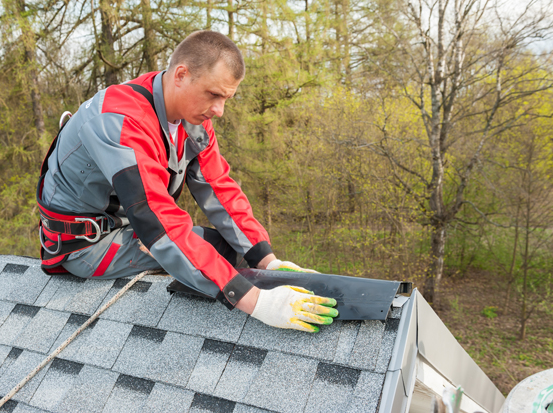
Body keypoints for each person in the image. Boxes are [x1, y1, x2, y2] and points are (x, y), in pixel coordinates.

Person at [37, 30, 338, 332]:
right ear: (181, 74)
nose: (219, 111)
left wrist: (267, 260)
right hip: (88, 246)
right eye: (214, 95)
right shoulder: (120, 121)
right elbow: (158, 223)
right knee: (215, 256)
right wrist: (258, 302)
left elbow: (219, 189)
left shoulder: (192, 119)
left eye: (226, 98)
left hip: (129, 228)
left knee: (221, 249)